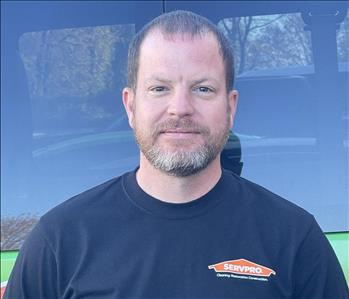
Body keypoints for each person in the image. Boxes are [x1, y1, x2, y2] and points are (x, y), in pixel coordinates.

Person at [4, 10, 348, 299]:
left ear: (230, 107)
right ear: (130, 105)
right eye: (159, 88)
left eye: (202, 88)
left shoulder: (294, 240)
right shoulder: (59, 241)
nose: (180, 108)